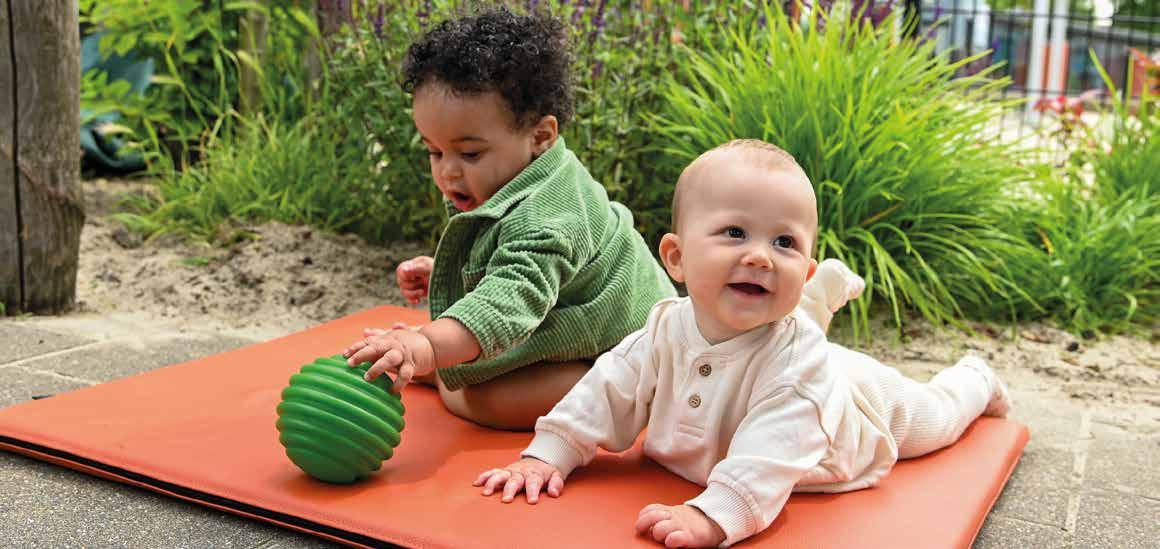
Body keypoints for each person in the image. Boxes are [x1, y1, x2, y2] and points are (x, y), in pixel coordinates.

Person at [473, 140, 1012, 548]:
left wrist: (714, 514)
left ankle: (975, 379)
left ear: (801, 270)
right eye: (735, 233)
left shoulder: (798, 369)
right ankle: (822, 299)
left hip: (857, 405)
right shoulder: (664, 328)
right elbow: (606, 390)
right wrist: (549, 455)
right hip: (796, 371)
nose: (759, 256)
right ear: (677, 257)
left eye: (784, 242)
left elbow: (771, 454)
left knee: (937, 417)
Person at [340, 7, 676, 430]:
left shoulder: (550, 216)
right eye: (434, 151)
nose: (448, 171)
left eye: (470, 153)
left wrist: (424, 347)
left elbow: (509, 299)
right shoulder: (515, 178)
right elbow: (522, 267)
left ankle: (442, 375)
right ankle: (443, 364)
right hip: (573, 324)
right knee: (471, 364)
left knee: (485, 399)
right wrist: (450, 272)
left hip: (632, 356)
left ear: (540, 136)